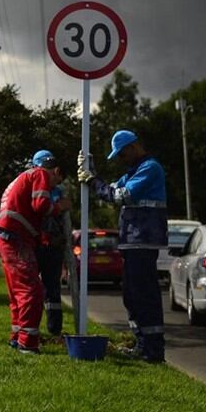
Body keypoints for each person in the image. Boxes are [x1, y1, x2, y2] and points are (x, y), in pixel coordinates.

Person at [78, 130, 168, 363]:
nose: (121, 159)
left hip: (143, 240)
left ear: (133, 147)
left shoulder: (150, 168)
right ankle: (142, 344)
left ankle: (153, 351)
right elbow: (110, 188)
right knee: (132, 296)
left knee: (144, 296)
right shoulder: (133, 172)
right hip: (132, 241)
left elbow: (120, 196)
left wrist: (92, 180)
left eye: (121, 154)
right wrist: (93, 173)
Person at [0, 149, 71, 354]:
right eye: (57, 181)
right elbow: (41, 205)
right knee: (31, 291)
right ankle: (27, 344)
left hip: (8, 237)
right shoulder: (41, 174)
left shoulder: (22, 177)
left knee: (17, 292)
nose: (53, 186)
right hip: (16, 238)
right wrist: (59, 206)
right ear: (55, 170)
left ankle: (17, 337)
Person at [35, 182, 68, 337]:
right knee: (31, 289)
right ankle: (29, 330)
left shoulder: (58, 191)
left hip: (53, 247)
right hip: (35, 246)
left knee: (52, 290)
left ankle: (54, 330)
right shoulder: (34, 190)